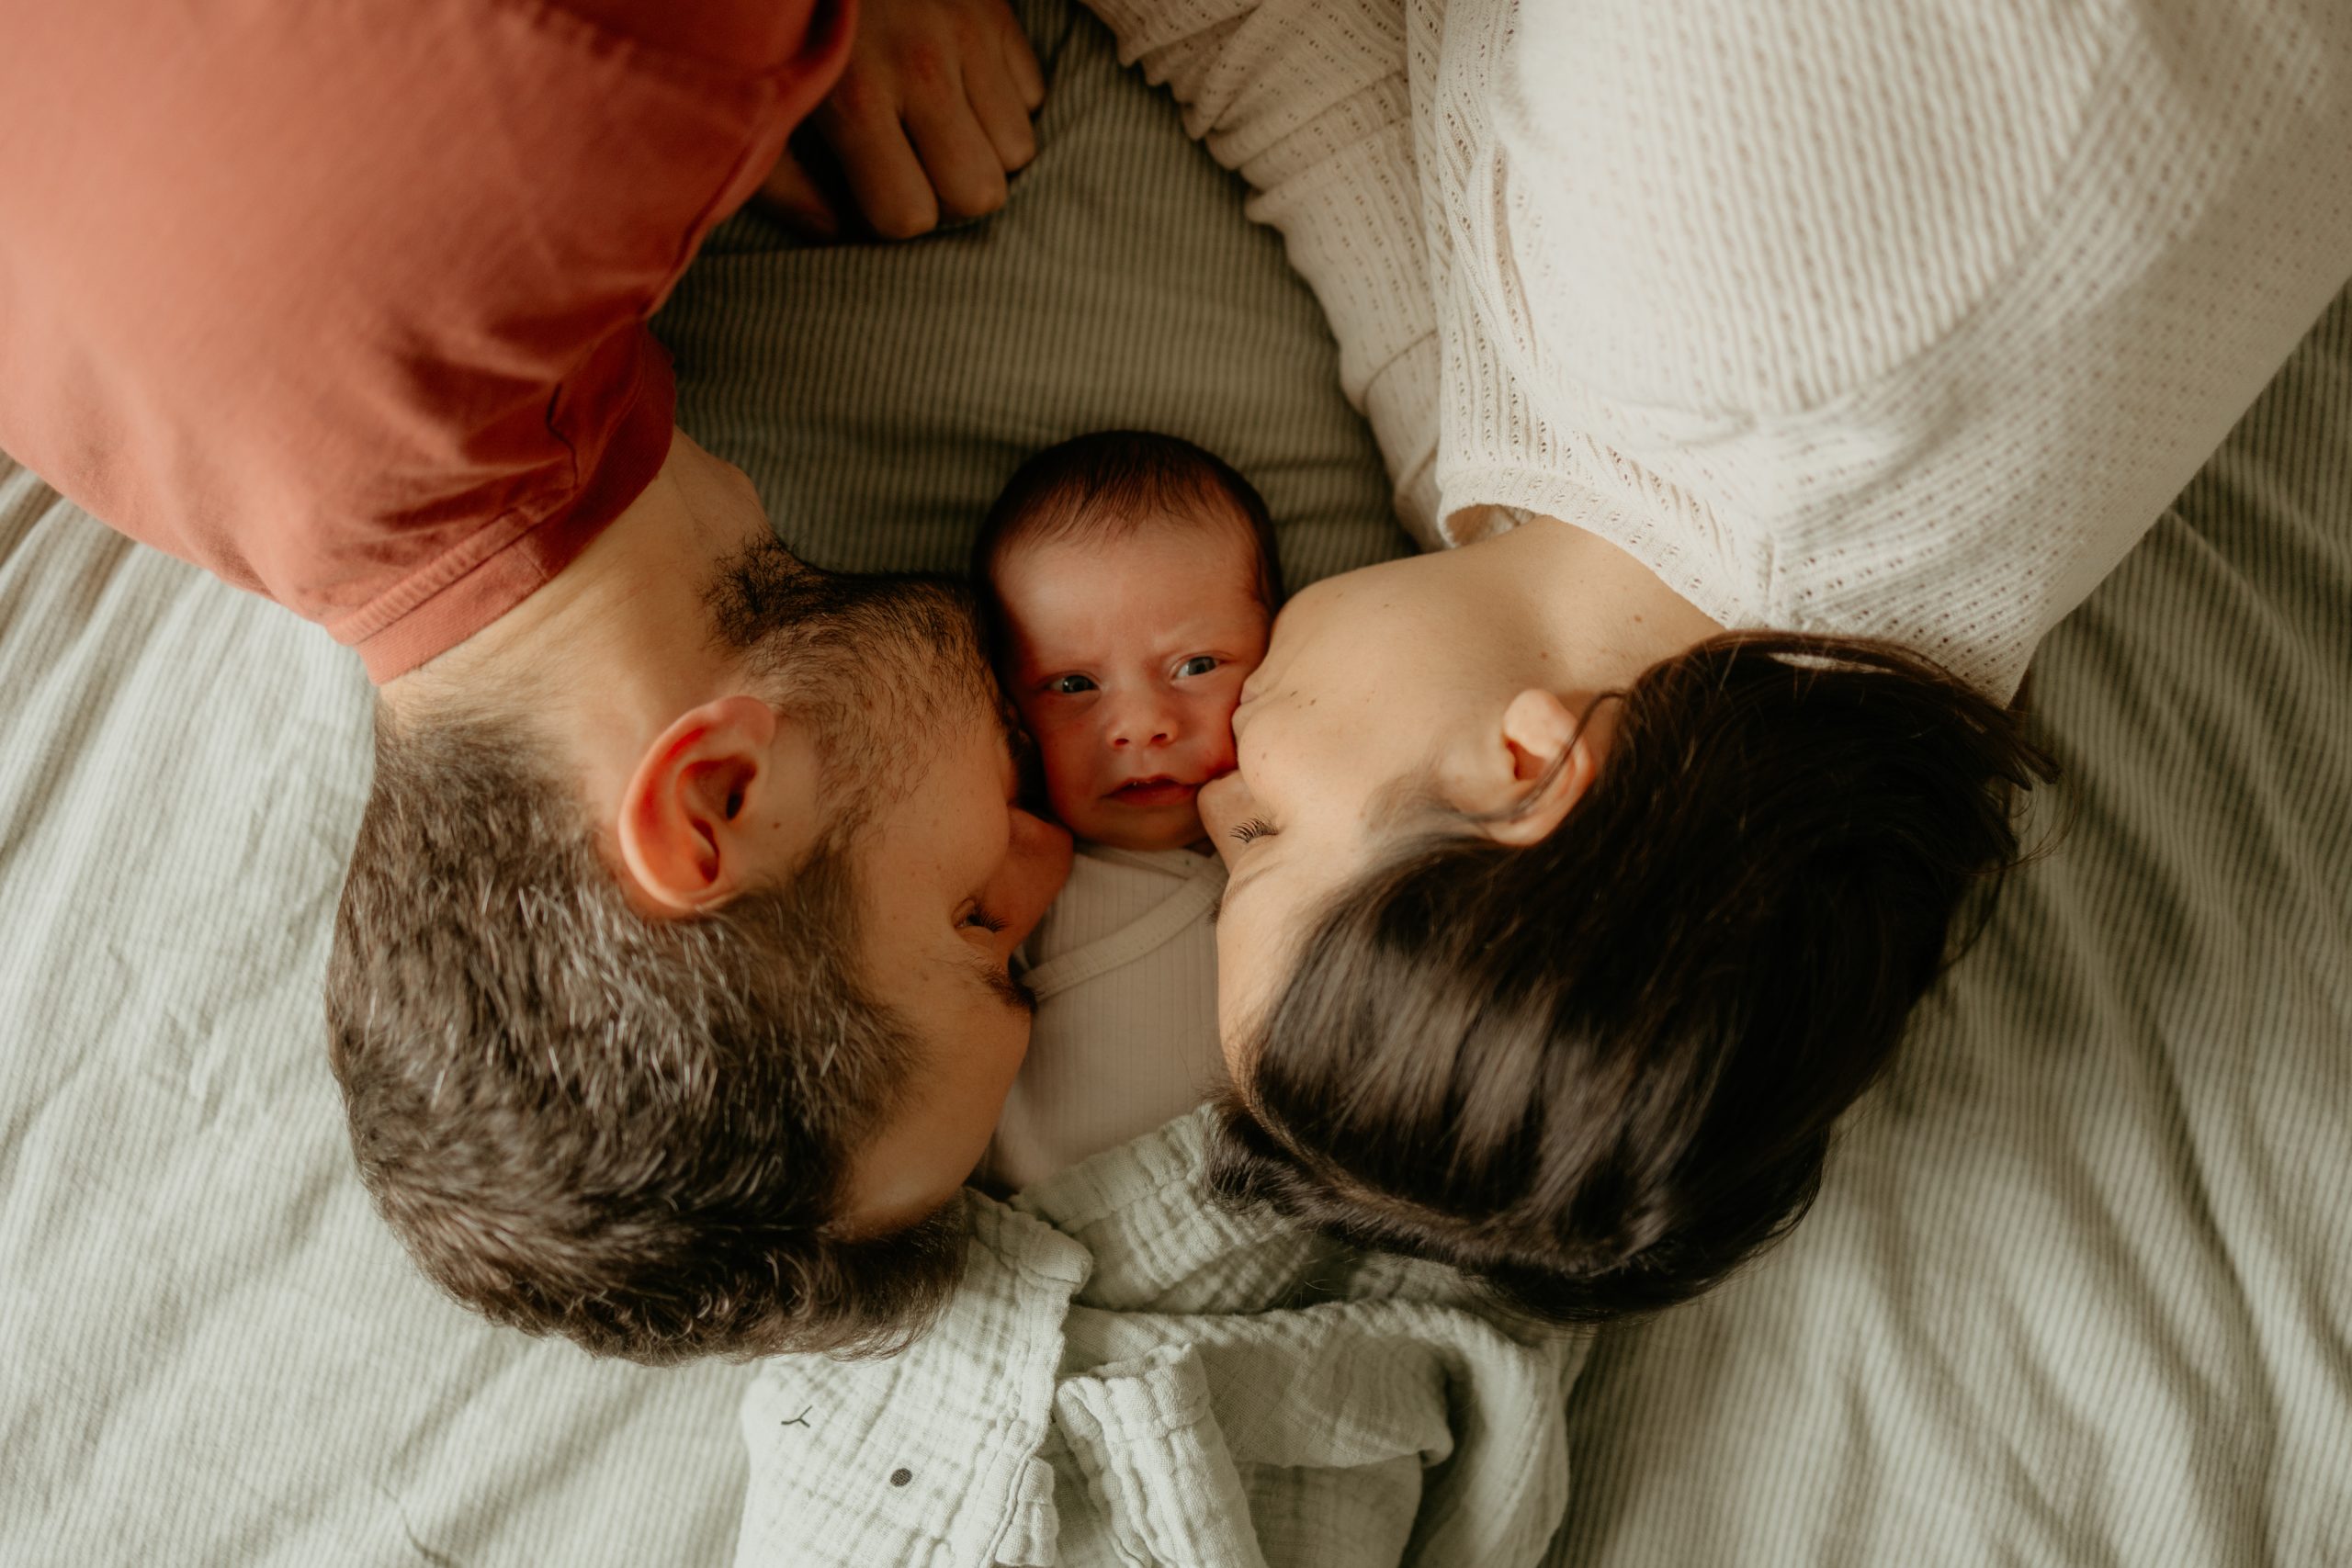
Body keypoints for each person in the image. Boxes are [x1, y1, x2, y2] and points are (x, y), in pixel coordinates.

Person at [1080, 0, 2352, 1325]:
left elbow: (1281, 57)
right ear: (1529, 766)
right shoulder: (1724, 296)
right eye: (1265, 838)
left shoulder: (1614, 583)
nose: (1211, 788)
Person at [0, 0, 1126, 1361]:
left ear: (718, 796)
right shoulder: (154, 446)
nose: (1052, 857)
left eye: (976, 928)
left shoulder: (609, 98)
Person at [965, 430, 1279, 1189]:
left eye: (1196, 665)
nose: (1141, 723)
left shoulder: (1294, 837)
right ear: (1010, 712)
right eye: (1074, 685)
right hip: (1058, 1223)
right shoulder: (1015, 875)